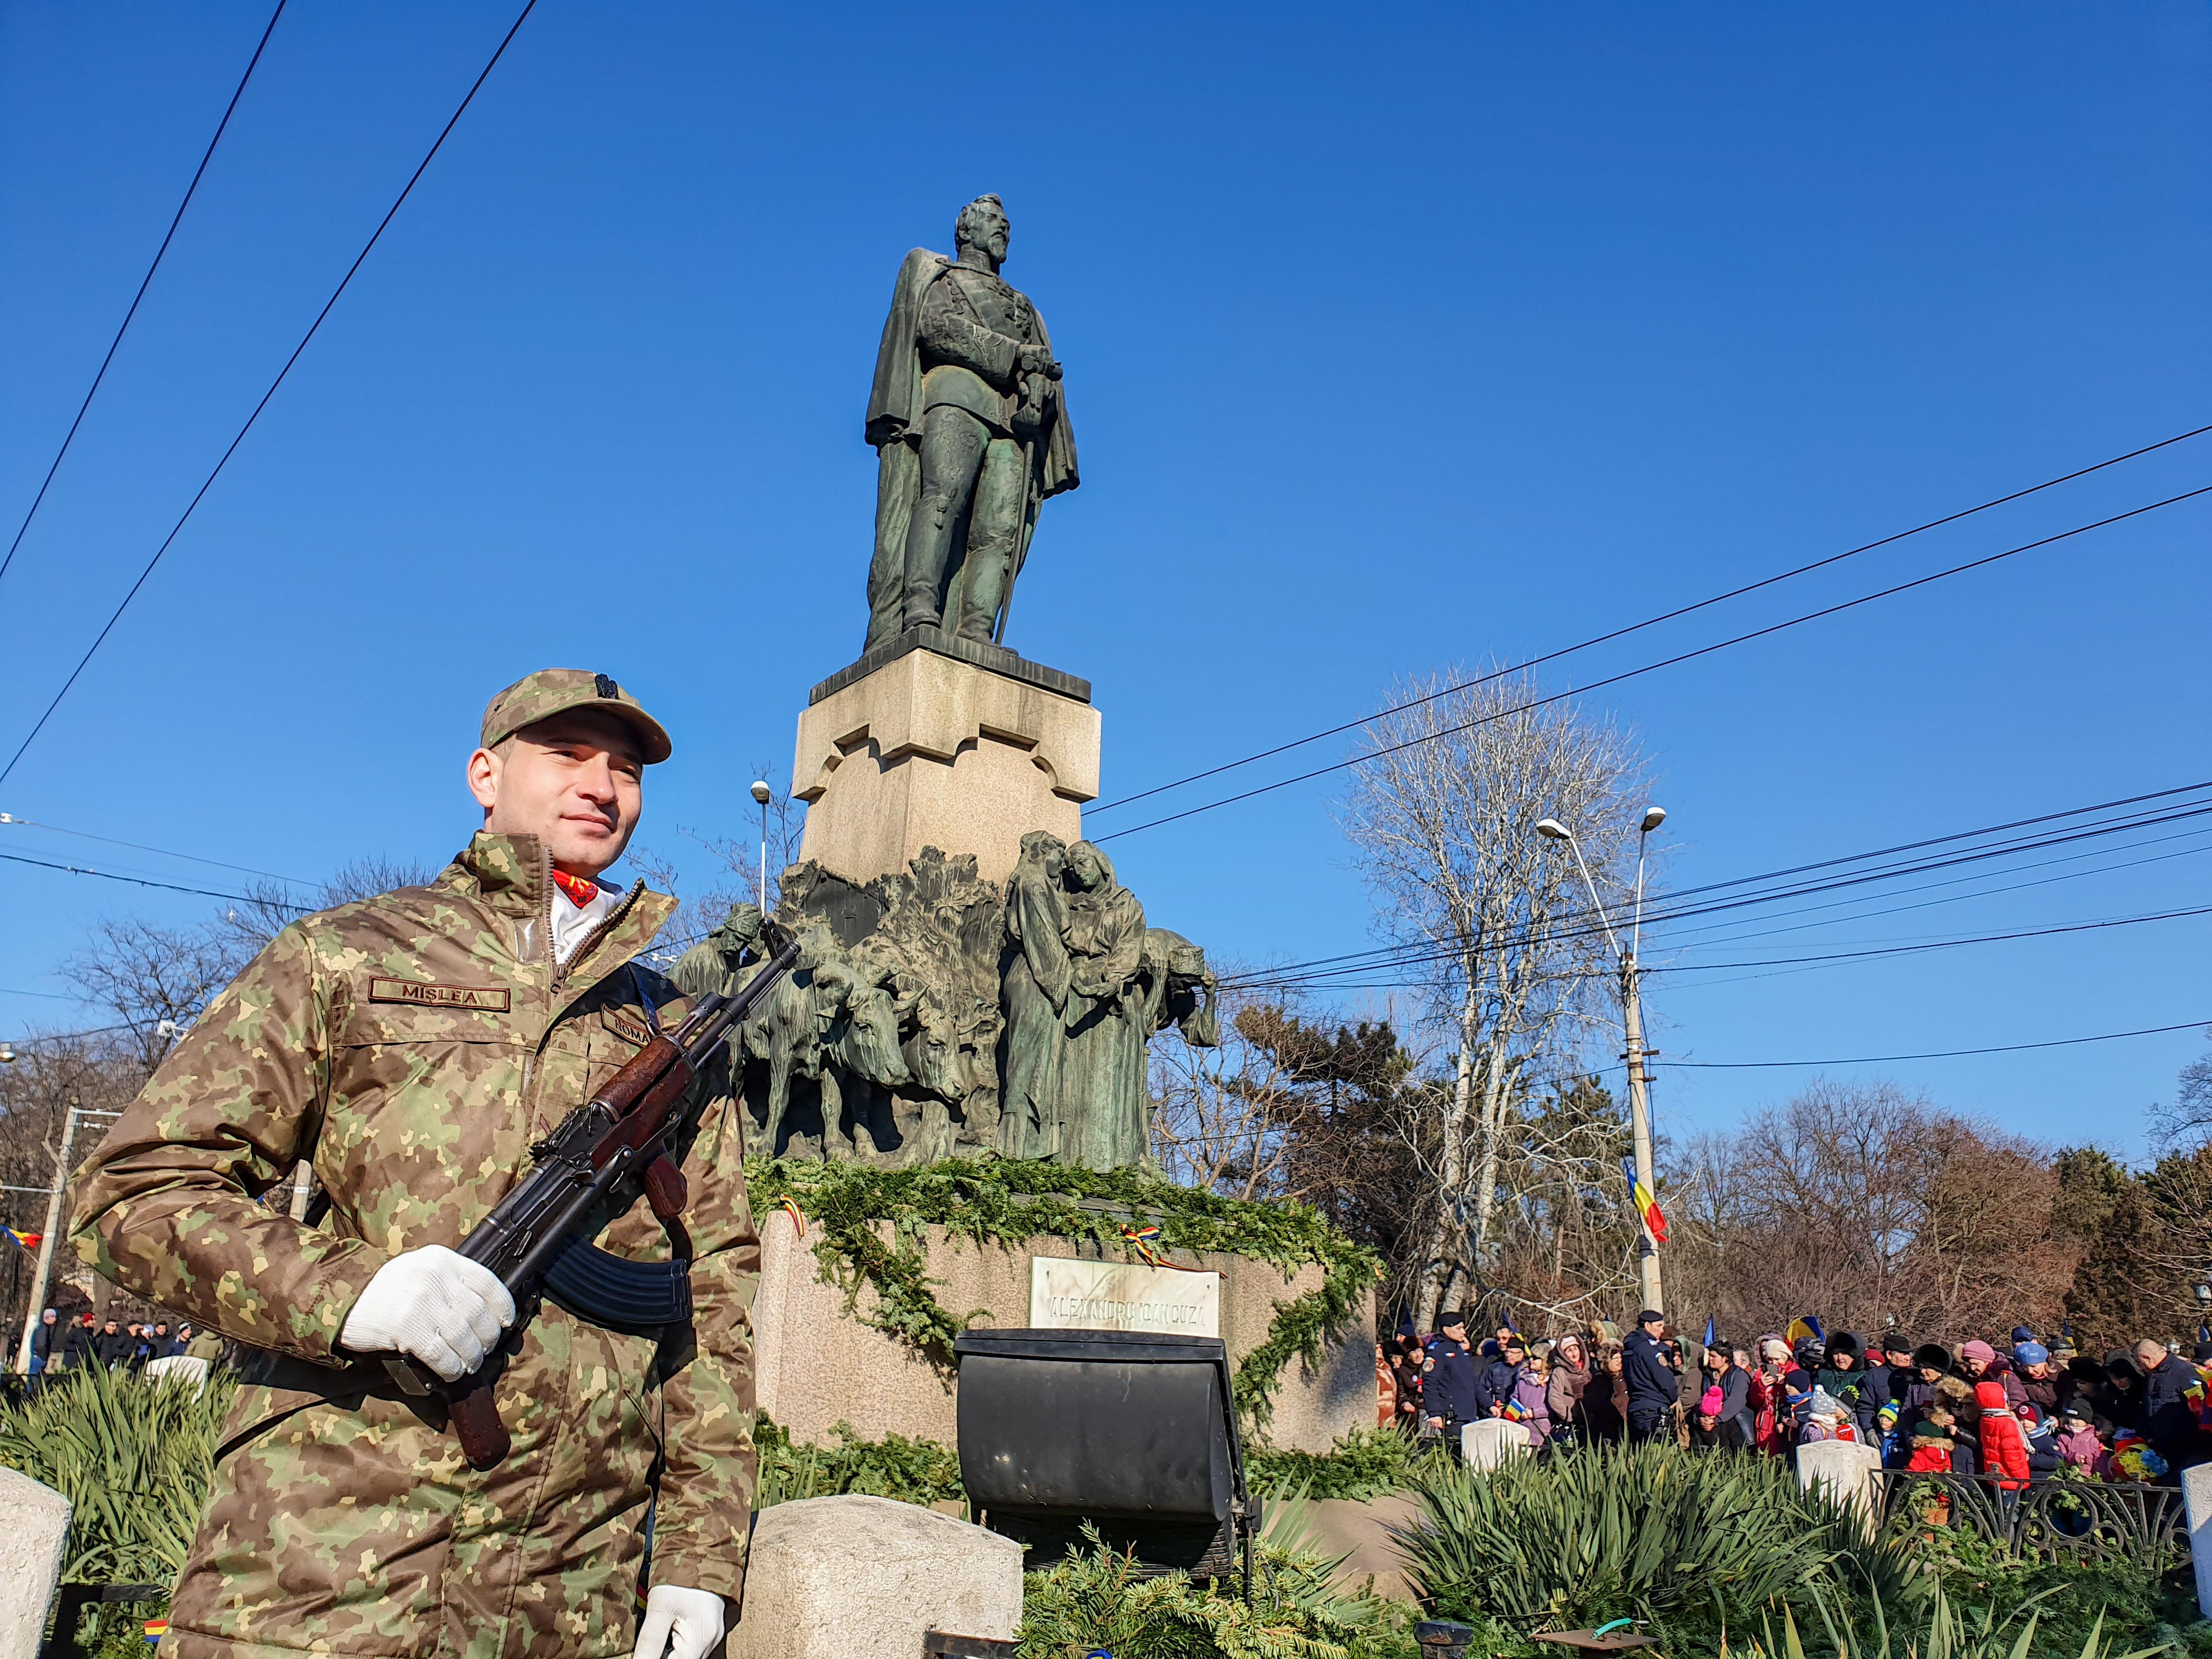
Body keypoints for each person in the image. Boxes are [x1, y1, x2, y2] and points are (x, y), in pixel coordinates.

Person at [67, 669, 757, 1659]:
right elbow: (133, 1189)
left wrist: (700, 1550)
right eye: (567, 753)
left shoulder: (667, 1026)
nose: (602, 784)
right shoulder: (344, 954)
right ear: (486, 773)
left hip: (571, 1590)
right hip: (327, 1568)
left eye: (626, 768)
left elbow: (714, 1295)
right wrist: (350, 1291)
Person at [2135, 1337, 2203, 1474]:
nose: (2140, 1367)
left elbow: (2200, 1406)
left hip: (2186, 1447)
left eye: (2139, 1363)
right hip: (2162, 1447)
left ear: (2146, 1358)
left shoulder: (2183, 1372)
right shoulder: (2152, 1374)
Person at [1424, 1312, 1483, 1442]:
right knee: (1453, 1455)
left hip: (1469, 1414)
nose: (1463, 1332)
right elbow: (1430, 1383)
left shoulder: (1460, 1351)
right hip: (1452, 1415)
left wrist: (1489, 1405)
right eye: (1459, 1328)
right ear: (1447, 1330)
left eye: (1463, 1328)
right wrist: (1435, 1413)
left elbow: (1472, 1382)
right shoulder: (1437, 1351)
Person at [1622, 1309, 1679, 1441]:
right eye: (1659, 1326)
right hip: (1653, 1409)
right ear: (1648, 1326)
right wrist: (1674, 1398)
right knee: (1657, 1454)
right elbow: (1665, 1379)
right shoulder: (1649, 1349)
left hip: (1635, 1408)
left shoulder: (1629, 1349)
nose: (1662, 1331)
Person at [1977, 1380, 2030, 1490]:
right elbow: (2011, 1454)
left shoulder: (1987, 1419)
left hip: (1996, 1472)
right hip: (2011, 1477)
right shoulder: (2006, 1423)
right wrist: (2021, 1478)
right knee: (2012, 1506)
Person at [1547, 1334, 1591, 1448]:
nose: (1574, 1353)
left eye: (1575, 1349)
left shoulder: (1588, 1370)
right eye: (1569, 1350)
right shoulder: (1560, 1371)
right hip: (1572, 1422)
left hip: (1591, 1421)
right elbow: (1554, 1398)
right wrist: (1569, 1417)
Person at [1510, 1350, 1554, 1446]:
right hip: (1520, 1425)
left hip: (1541, 1428)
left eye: (1535, 1358)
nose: (1531, 1360)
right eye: (1530, 1357)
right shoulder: (1523, 1379)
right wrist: (1516, 1410)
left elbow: (1553, 1405)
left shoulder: (1551, 1380)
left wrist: (1534, 1412)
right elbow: (1514, 1398)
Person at [2054, 1399, 2104, 1474]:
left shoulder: (2093, 1441)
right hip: (2065, 1478)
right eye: (2071, 1418)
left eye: (2077, 1419)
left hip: (2087, 1481)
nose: (2073, 1422)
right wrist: (2073, 1458)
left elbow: (2100, 1464)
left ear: (2086, 1420)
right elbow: (2059, 1458)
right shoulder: (2063, 1438)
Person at [28, 1307, 59, 1376]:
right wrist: (43, 1357)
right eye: (54, 1317)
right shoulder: (42, 1329)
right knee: (34, 1377)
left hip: (40, 1357)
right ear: (48, 1317)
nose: (55, 1319)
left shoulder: (46, 1328)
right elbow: (40, 1345)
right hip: (39, 1358)